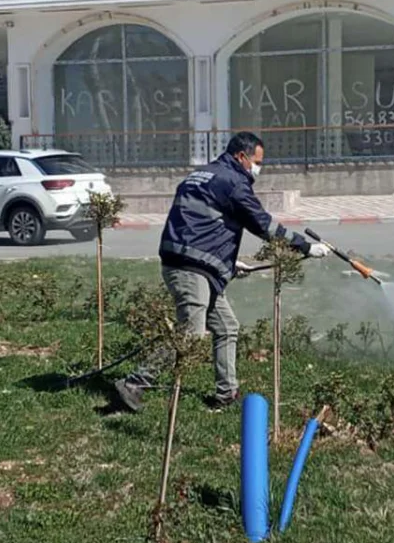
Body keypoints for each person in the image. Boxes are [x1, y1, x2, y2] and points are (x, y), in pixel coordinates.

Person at [113, 132, 330, 412]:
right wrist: (304, 247)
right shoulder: (234, 183)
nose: (258, 169)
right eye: (257, 162)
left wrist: (227, 262)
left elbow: (199, 223)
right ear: (242, 157)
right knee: (190, 333)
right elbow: (263, 225)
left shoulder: (201, 174)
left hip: (190, 261)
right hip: (190, 268)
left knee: (227, 327)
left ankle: (226, 393)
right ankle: (134, 384)